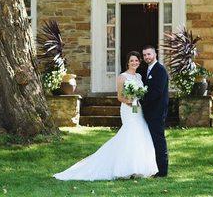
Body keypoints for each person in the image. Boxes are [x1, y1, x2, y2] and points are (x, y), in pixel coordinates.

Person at [53, 51, 158, 181]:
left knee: (140, 133)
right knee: (131, 132)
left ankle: (138, 166)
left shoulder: (139, 77)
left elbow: (141, 94)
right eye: (132, 61)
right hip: (128, 109)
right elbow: (120, 96)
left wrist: (138, 100)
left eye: (136, 60)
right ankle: (124, 167)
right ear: (127, 62)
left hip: (138, 109)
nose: (134, 63)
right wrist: (129, 102)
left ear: (139, 62)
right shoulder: (122, 77)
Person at [137, 45, 169, 177]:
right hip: (150, 112)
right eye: (144, 55)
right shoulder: (147, 69)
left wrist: (141, 100)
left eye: (149, 54)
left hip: (157, 112)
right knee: (151, 140)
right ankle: (154, 168)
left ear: (155, 54)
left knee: (158, 140)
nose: (146, 57)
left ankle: (162, 171)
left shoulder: (160, 70)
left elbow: (156, 92)